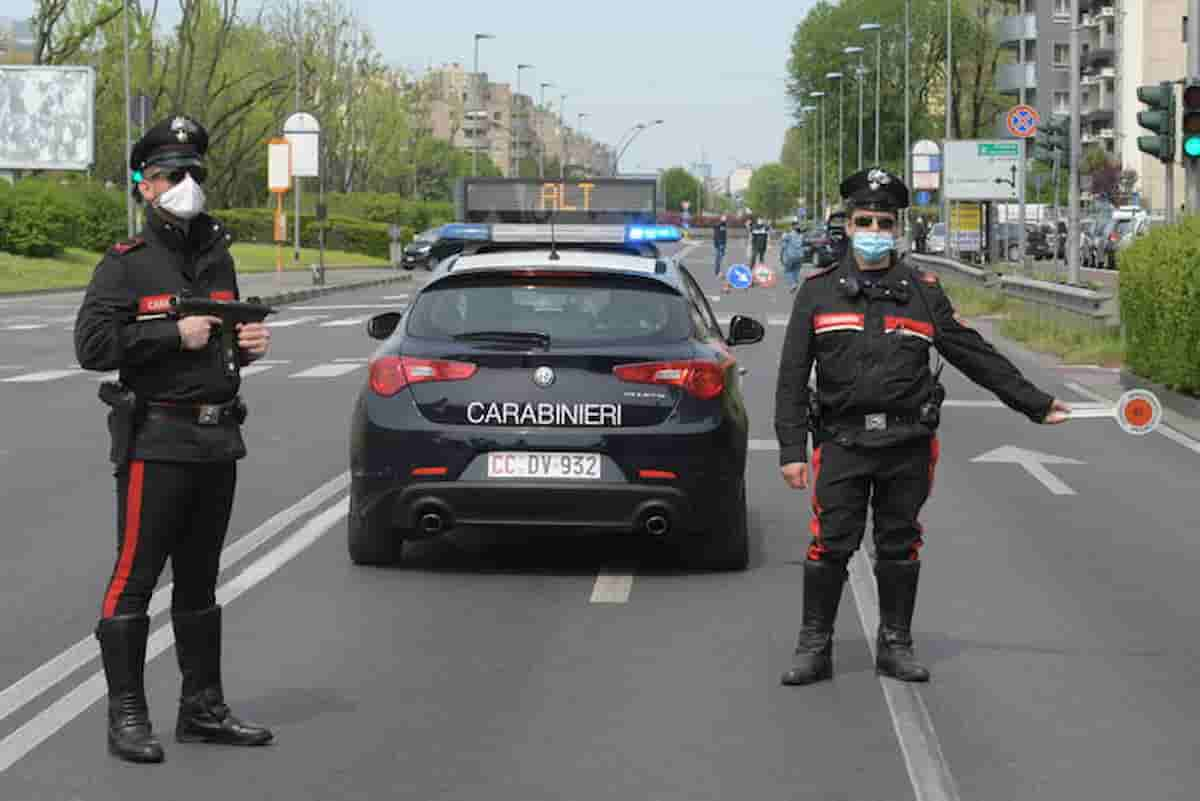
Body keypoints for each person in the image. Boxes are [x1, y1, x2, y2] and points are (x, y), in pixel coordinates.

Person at [774, 167, 1071, 687]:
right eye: (863, 220)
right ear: (847, 224)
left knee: (900, 543)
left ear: (896, 229)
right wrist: (791, 449)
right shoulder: (817, 292)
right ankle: (813, 646)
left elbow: (971, 353)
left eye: (882, 222)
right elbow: (792, 375)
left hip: (906, 444)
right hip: (842, 441)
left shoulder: (922, 292)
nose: (872, 230)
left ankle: (896, 645)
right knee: (831, 544)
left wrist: (1035, 403)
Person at [75, 115, 275, 763]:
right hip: (155, 438)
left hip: (218, 441)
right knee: (134, 577)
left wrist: (245, 348)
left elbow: (221, 350)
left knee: (200, 580)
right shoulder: (126, 265)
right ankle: (128, 716)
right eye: (170, 175)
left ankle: (202, 708)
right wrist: (170, 334)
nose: (186, 185)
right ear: (144, 186)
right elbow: (93, 347)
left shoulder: (217, 252)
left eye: (194, 174)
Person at [779, 220, 807, 292]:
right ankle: (795, 283)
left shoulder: (788, 235)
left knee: (787, 271)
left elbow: (783, 246)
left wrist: (781, 256)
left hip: (791, 256)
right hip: (800, 256)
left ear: (792, 227)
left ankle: (793, 284)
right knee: (796, 270)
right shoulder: (801, 235)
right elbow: (803, 244)